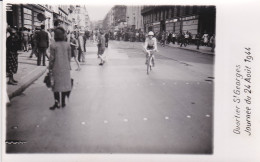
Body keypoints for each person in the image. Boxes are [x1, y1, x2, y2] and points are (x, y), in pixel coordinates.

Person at [49, 27, 72, 110]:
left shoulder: (53, 45)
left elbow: (52, 58)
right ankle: (63, 102)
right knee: (64, 85)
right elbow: (69, 58)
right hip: (65, 68)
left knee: (56, 86)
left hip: (56, 67)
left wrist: (50, 67)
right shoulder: (67, 45)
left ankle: (57, 103)